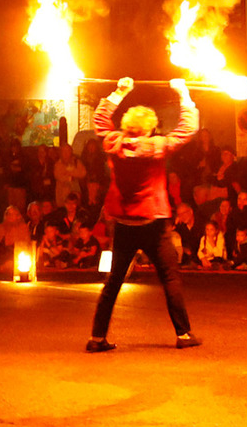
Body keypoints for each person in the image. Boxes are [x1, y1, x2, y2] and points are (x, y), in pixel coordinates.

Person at [86, 78, 202, 353]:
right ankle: (183, 334)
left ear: (127, 126)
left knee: (114, 281)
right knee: (170, 278)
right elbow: (187, 129)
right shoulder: (156, 146)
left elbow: (101, 120)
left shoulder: (113, 142)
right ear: (149, 128)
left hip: (125, 223)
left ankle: (97, 338)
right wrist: (183, 94)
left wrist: (120, 91)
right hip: (153, 222)